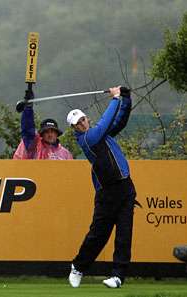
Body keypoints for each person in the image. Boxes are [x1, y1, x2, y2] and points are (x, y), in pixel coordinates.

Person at [67, 86, 136, 289]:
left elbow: (119, 120)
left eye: (83, 119)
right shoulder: (88, 140)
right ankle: (78, 267)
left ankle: (117, 276)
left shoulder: (102, 134)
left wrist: (126, 98)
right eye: (77, 123)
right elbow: (106, 121)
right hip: (107, 193)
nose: (82, 123)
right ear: (74, 129)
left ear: (87, 119)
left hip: (125, 187)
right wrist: (115, 99)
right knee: (99, 235)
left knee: (124, 234)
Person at [13, 90, 73, 160]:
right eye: (47, 132)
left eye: (52, 132)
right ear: (42, 135)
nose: (50, 135)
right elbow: (28, 130)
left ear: (57, 134)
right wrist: (28, 108)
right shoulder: (35, 146)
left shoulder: (66, 154)